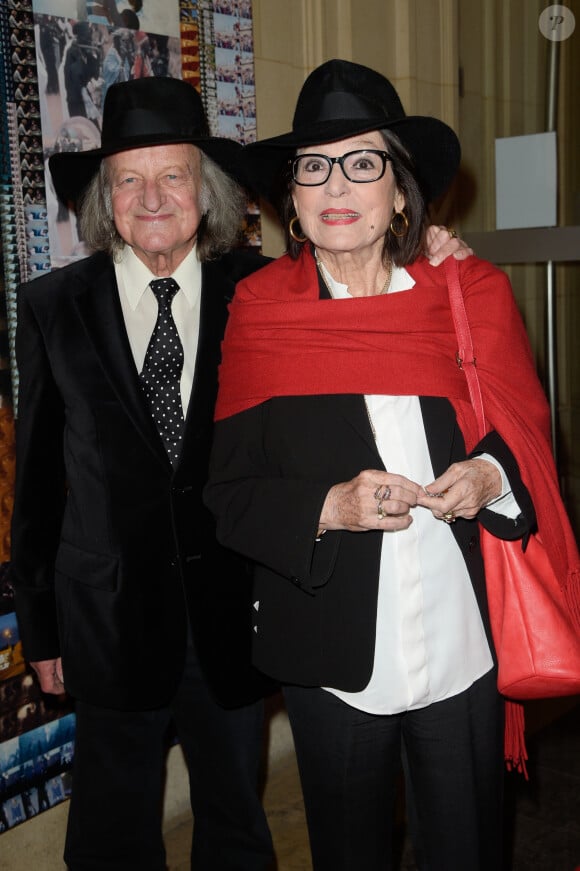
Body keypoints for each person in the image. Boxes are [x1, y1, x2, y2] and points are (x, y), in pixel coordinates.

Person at [10, 73, 468, 871]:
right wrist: (42, 628)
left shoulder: (266, 290)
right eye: (129, 178)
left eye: (173, 174)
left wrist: (433, 249)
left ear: (208, 189)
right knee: (110, 834)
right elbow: (40, 483)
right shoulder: (52, 304)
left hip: (233, 610)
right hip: (107, 620)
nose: (152, 196)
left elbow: (371, 288)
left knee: (234, 822)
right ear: (105, 198)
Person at [204, 59, 579, 871]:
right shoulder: (260, 313)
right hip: (331, 653)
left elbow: (526, 436)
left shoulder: (466, 295)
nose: (338, 183)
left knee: (468, 852)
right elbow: (226, 493)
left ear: (400, 192)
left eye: (363, 161)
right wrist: (327, 506)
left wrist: (488, 475)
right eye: (314, 165)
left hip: (462, 641)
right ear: (294, 200)